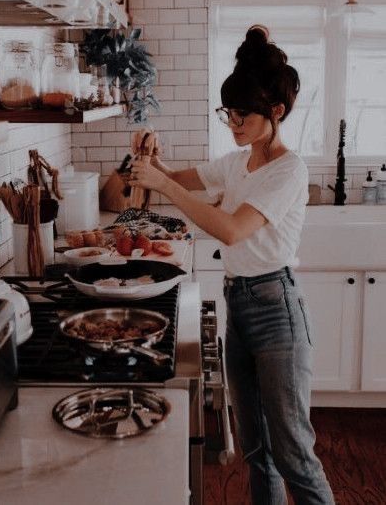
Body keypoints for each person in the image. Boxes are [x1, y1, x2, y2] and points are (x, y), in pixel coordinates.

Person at [129, 25, 335, 504]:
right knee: (257, 450)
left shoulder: (289, 169)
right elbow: (177, 176)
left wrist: (166, 189)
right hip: (240, 305)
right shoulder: (237, 161)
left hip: (277, 311)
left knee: (294, 454)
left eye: (243, 115)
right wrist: (151, 158)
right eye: (229, 113)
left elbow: (230, 229)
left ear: (277, 112)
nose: (233, 123)